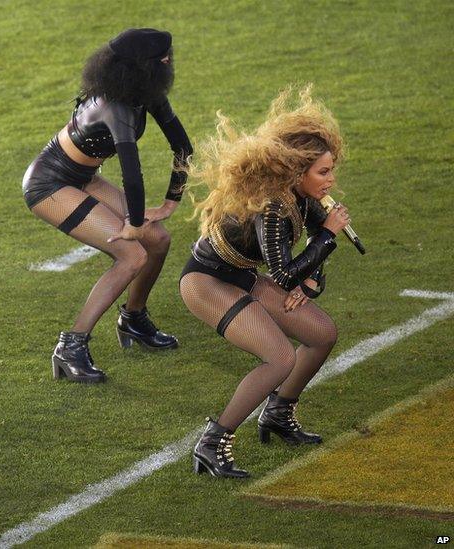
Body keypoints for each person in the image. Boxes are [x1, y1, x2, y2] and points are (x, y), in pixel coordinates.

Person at [180, 86, 351, 478]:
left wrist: (309, 284)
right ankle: (213, 441)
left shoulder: (300, 195)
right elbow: (284, 273)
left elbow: (307, 256)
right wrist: (327, 237)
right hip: (205, 282)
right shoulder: (272, 208)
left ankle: (277, 413)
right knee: (280, 358)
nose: (331, 180)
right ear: (296, 171)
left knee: (322, 333)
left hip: (240, 276)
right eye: (324, 172)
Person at [22, 28, 193, 383]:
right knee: (133, 255)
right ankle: (71, 346)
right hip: (49, 184)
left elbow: (182, 146)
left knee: (158, 239)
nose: (169, 60)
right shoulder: (114, 106)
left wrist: (170, 202)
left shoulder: (146, 93)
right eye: (163, 57)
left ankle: (133, 318)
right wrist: (132, 222)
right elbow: (132, 171)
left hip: (82, 177)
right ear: (142, 65)